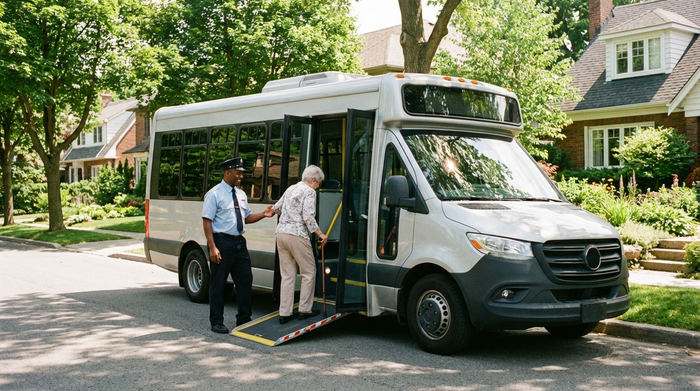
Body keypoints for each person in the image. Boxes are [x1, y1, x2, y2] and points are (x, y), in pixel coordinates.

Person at [202, 157, 275, 334]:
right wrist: (212, 247)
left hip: (239, 243)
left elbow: (246, 218)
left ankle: (244, 318)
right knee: (218, 283)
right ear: (228, 172)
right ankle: (216, 321)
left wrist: (263, 215)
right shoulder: (215, 194)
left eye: (242, 173)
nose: (241, 176)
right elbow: (207, 221)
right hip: (222, 242)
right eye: (238, 173)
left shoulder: (241, 194)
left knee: (245, 280)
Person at [272, 165, 328, 324]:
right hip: (297, 234)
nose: (318, 187)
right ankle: (304, 309)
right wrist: (320, 234)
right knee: (309, 271)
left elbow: (276, 208)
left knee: (288, 275)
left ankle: (285, 313)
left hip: (281, 234)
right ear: (313, 180)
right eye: (318, 183)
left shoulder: (291, 188)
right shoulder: (309, 191)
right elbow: (308, 217)